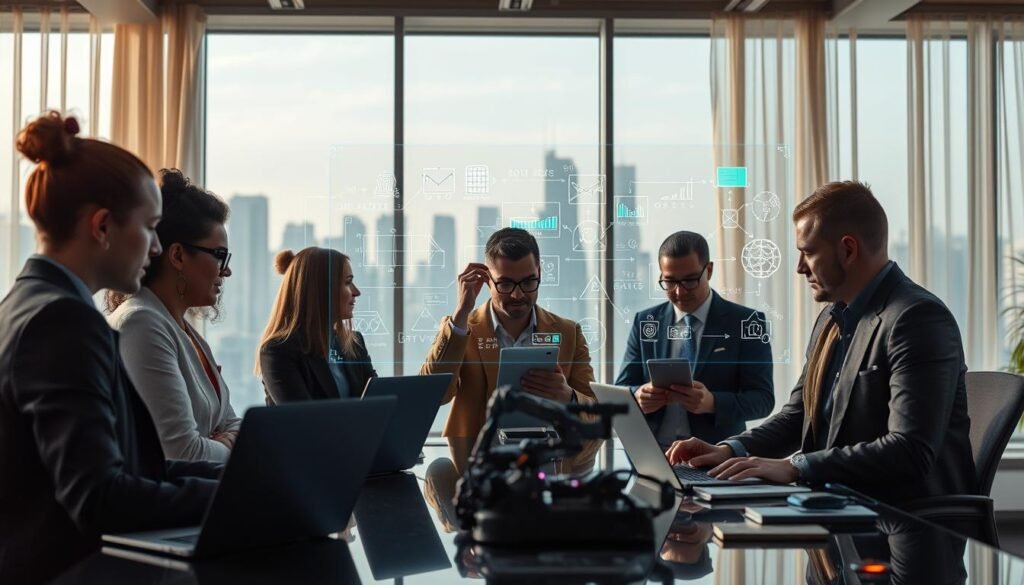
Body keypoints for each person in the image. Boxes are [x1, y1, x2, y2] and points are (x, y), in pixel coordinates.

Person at [0, 112, 220, 583]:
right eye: (149, 228)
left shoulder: (25, 303)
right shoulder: (64, 321)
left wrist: (242, 482)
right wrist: (243, 496)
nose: (157, 249)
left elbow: (129, 467)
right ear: (102, 226)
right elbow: (99, 497)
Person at [666, 181, 976, 504]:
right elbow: (798, 416)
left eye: (808, 252)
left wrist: (795, 466)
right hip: (836, 508)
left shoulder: (917, 320)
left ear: (847, 249)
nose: (800, 267)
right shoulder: (830, 320)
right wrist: (728, 449)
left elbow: (910, 449)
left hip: (901, 524)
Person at [106, 169, 241, 462]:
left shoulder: (182, 329)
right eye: (220, 255)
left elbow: (232, 423)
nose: (226, 271)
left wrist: (218, 442)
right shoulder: (141, 325)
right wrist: (231, 447)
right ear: (178, 256)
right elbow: (182, 453)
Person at [421, 227, 597, 440]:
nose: (517, 294)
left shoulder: (569, 333)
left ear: (540, 273)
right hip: (475, 461)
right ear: (487, 279)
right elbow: (431, 396)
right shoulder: (461, 329)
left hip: (549, 458)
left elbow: (596, 414)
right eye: (505, 283)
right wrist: (461, 313)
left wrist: (569, 397)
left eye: (528, 282)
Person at [615, 231, 774, 447]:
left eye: (690, 280)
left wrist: (713, 403)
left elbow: (763, 400)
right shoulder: (645, 321)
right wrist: (639, 396)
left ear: (708, 270)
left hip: (715, 457)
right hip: (652, 454)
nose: (679, 292)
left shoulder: (746, 322)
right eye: (669, 282)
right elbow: (622, 388)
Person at [258, 247, 377, 403]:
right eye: (348, 282)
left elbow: (377, 399)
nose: (356, 292)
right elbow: (304, 420)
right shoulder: (278, 351)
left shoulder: (354, 344)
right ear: (321, 289)